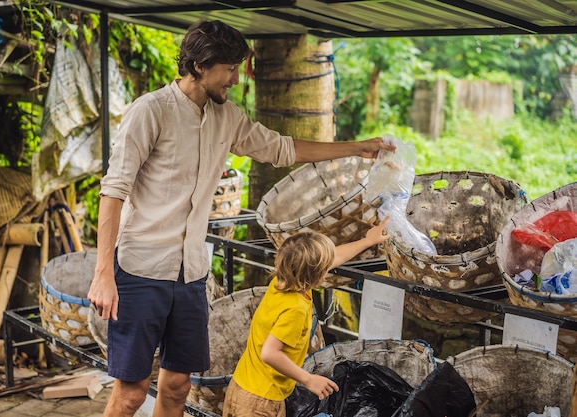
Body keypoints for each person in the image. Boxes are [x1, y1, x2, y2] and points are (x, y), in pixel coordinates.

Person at [87, 19, 395, 417]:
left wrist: (358, 148)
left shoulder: (226, 117)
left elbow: (282, 149)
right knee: (131, 393)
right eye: (229, 68)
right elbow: (113, 192)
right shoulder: (151, 111)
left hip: (191, 273)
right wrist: (102, 274)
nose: (234, 78)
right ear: (200, 65)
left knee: (179, 387)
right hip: (140, 268)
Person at [222, 220, 391, 417]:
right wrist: (308, 379)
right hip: (261, 401)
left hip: (242, 385)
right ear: (318, 274)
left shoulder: (282, 281)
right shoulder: (295, 309)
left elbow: (334, 256)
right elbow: (269, 353)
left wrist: (368, 240)